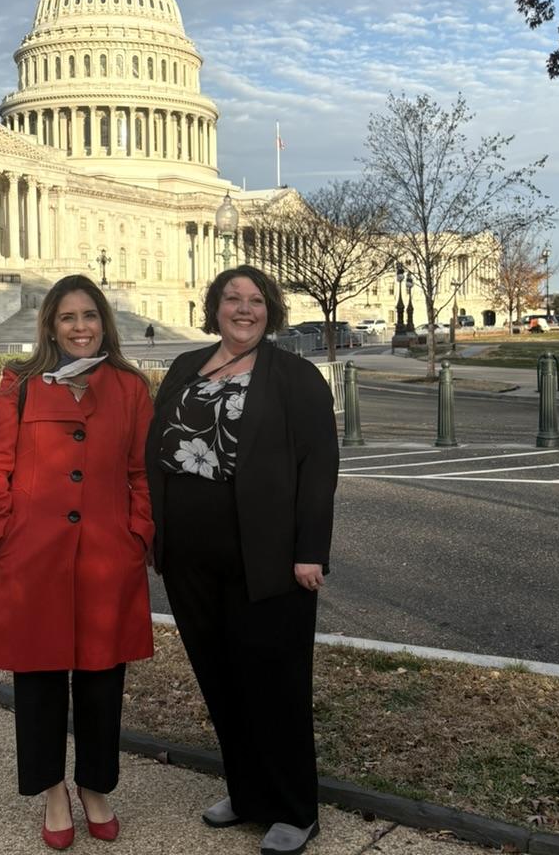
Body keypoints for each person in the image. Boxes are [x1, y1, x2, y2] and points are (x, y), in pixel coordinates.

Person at [146, 265, 339, 855]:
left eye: (256, 300)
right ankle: (247, 790)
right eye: (233, 298)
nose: (244, 309)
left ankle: (293, 807)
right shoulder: (185, 367)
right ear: (215, 306)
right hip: (189, 554)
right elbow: (157, 447)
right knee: (220, 676)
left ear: (271, 311)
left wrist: (311, 552)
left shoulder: (296, 377)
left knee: (274, 681)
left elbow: (318, 470)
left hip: (268, 556)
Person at [0, 274, 154, 850]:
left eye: (90, 316)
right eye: (68, 317)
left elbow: (141, 472)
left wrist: (138, 535)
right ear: (50, 325)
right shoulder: (20, 384)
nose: (80, 327)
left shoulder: (129, 387)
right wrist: (3, 531)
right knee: (40, 680)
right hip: (34, 557)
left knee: (103, 679)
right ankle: (52, 790)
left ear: (105, 323)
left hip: (106, 556)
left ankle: (95, 787)